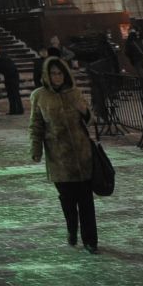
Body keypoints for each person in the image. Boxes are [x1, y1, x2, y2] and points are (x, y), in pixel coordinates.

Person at [29, 57, 100, 253]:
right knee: (68, 200)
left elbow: (90, 119)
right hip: (58, 157)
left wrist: (84, 111)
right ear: (47, 75)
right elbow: (36, 125)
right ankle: (72, 230)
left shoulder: (75, 93)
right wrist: (36, 149)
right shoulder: (39, 96)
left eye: (60, 73)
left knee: (86, 200)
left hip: (81, 154)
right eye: (53, 73)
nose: (57, 77)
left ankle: (90, 241)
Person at [0, 43, 26, 115]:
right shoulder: (9, 61)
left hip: (11, 81)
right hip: (13, 81)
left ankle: (15, 110)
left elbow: (6, 71)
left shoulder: (5, 62)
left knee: (12, 96)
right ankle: (17, 110)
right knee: (15, 96)